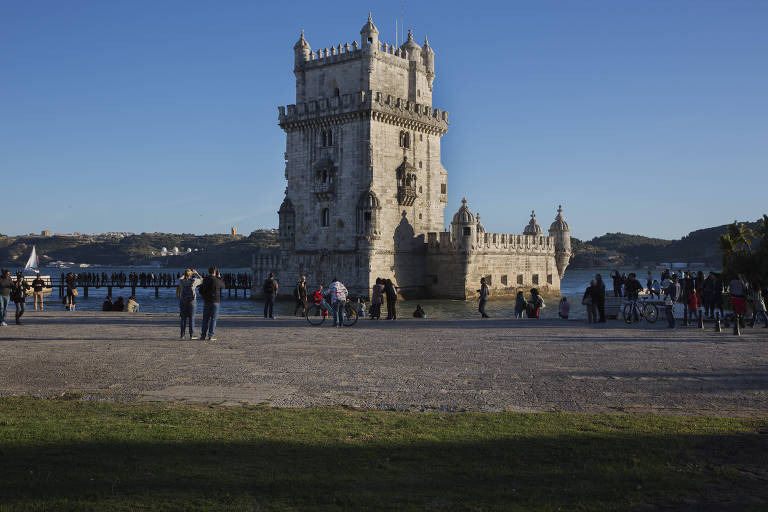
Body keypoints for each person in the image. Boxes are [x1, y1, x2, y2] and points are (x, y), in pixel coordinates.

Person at [200, 267, 225, 341]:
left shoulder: (205, 279)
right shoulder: (217, 280)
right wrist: (220, 278)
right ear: (215, 272)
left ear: (209, 271)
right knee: (213, 319)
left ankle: (203, 335)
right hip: (215, 301)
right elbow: (223, 286)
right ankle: (210, 335)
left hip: (207, 301)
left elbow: (200, 289)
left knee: (205, 319)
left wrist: (204, 296)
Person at [178, 269, 203, 339]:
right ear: (191, 274)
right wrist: (196, 273)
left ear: (184, 274)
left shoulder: (181, 281)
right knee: (191, 318)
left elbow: (180, 278)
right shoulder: (194, 281)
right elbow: (202, 280)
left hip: (183, 301)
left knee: (183, 318)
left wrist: (184, 274)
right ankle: (191, 335)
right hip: (192, 301)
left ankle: (182, 335)